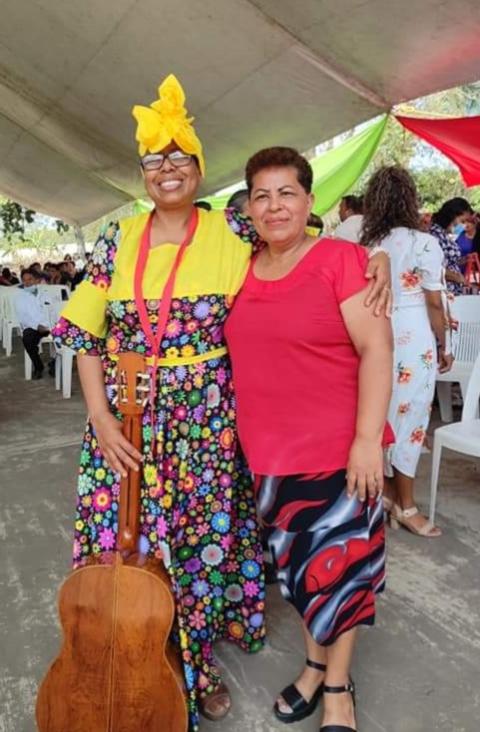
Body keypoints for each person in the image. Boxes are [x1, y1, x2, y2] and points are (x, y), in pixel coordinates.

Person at [52, 76, 391, 731]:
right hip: (125, 429)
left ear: (201, 169)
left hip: (207, 431)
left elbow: (297, 239)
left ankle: (197, 668)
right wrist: (97, 414)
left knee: (200, 549)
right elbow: (85, 336)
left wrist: (371, 257)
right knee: (128, 554)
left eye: (180, 159)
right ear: (142, 174)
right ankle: (129, 665)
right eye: (154, 161)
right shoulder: (115, 241)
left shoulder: (233, 227)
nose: (168, 170)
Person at [225, 147, 394, 732]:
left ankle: (339, 689)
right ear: (248, 206)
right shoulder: (240, 267)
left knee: (341, 577)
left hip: (339, 452)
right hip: (270, 458)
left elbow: (378, 348)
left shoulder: (342, 260)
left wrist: (368, 439)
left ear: (310, 200)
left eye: (287, 193)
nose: (275, 206)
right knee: (301, 575)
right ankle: (314, 666)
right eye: (262, 195)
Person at [361, 166, 453, 537]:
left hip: (373, 330)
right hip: (413, 335)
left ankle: (382, 495)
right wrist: (445, 343)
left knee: (378, 415)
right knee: (412, 420)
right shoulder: (424, 242)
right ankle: (406, 505)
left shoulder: (364, 243)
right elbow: (434, 303)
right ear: (410, 199)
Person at [430, 197, 473, 294]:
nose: (464, 225)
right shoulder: (434, 235)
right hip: (443, 293)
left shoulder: (444, 234)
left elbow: (447, 262)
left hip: (452, 292)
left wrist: (463, 260)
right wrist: (456, 277)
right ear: (452, 216)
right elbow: (432, 268)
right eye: (462, 221)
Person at [15, 268, 51, 379]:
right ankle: (38, 366)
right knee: (27, 339)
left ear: (36, 280)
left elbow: (53, 309)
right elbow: (22, 318)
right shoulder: (20, 297)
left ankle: (55, 363)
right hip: (33, 327)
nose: (27, 282)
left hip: (49, 325)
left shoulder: (46, 293)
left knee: (65, 336)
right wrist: (38, 326)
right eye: (24, 280)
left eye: (30, 279)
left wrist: (49, 325)